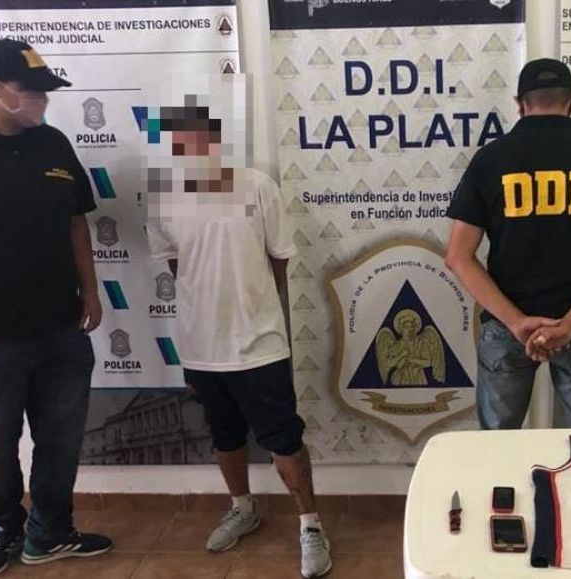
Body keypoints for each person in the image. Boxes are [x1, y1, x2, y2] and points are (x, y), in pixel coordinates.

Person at [0, 39, 112, 577]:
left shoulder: (52, 143)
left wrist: (91, 289)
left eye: (44, 91)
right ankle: (4, 528)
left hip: (60, 326)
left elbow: (75, 220)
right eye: (30, 90)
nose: (41, 100)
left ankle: (51, 531)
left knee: (61, 440)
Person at [145, 102, 332, 579]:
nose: (190, 148)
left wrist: (250, 302)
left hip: (259, 343)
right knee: (224, 434)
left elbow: (279, 260)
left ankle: (311, 526)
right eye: (180, 141)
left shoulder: (256, 186)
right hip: (201, 348)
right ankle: (242, 508)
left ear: (216, 140)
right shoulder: (163, 199)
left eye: (198, 138)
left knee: (284, 439)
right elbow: (178, 266)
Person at [445, 58, 571, 429]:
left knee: (496, 446)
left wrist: (517, 322)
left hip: (506, 328)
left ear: (520, 103)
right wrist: (570, 324)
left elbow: (457, 256)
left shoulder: (491, 159)